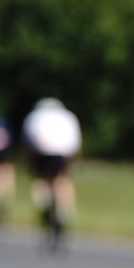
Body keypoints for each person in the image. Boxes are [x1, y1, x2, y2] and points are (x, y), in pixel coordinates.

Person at [22, 98, 82, 251]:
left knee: (41, 179)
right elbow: (75, 144)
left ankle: (44, 204)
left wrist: (29, 164)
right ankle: (64, 210)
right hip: (63, 153)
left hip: (42, 152)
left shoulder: (34, 116)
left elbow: (28, 143)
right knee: (62, 179)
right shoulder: (68, 116)